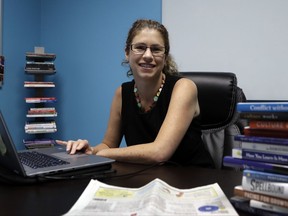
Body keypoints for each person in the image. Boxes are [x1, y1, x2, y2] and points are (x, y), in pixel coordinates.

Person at [56, 19, 215, 167]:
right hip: (148, 180)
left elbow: (160, 152)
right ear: (127, 52)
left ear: (165, 57)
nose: (147, 55)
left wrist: (103, 154)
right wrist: (90, 150)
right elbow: (108, 144)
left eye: (156, 49)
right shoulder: (122, 93)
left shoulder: (184, 87)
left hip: (194, 180)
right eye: (140, 47)